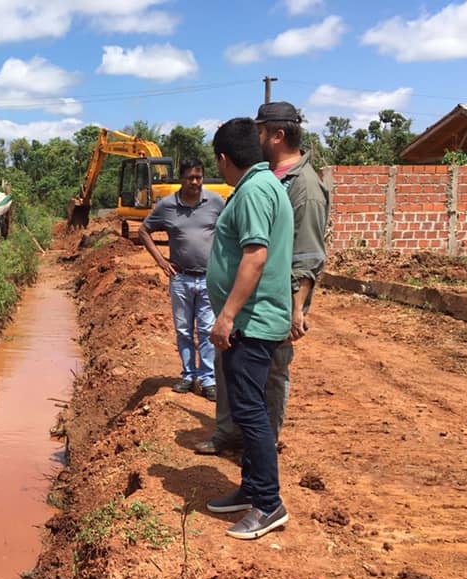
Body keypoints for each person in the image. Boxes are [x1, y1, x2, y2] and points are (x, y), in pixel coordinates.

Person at [196, 101, 329, 455]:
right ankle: (231, 434)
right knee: (232, 372)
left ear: (278, 134)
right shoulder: (264, 179)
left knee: (268, 380)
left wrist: (296, 308)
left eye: (260, 131)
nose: (255, 138)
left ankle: (260, 453)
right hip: (244, 305)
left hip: (271, 306)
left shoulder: (304, 188)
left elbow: (308, 256)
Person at [205, 117, 293, 540]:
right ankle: (250, 488)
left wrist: (227, 316)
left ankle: (268, 504)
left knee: (251, 414)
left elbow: (255, 256)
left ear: (224, 159)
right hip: (255, 320)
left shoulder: (254, 191)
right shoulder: (264, 185)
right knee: (247, 408)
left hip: (252, 323)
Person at [138, 158, 226, 400]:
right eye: (190, 178)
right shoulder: (167, 206)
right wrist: (161, 261)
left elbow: (230, 229)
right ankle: (188, 375)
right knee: (184, 329)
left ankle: (207, 379)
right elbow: (144, 231)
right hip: (180, 279)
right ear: (181, 179)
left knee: (207, 330)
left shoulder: (216, 202)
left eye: (198, 177)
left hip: (209, 277)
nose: (195, 182)